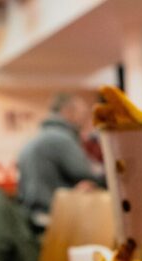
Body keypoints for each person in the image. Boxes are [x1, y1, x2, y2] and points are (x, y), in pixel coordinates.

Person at [16, 92, 104, 230]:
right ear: (68, 111)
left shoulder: (35, 137)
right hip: (52, 216)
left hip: (30, 216)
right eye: (82, 114)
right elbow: (86, 173)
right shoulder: (62, 138)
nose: (85, 121)